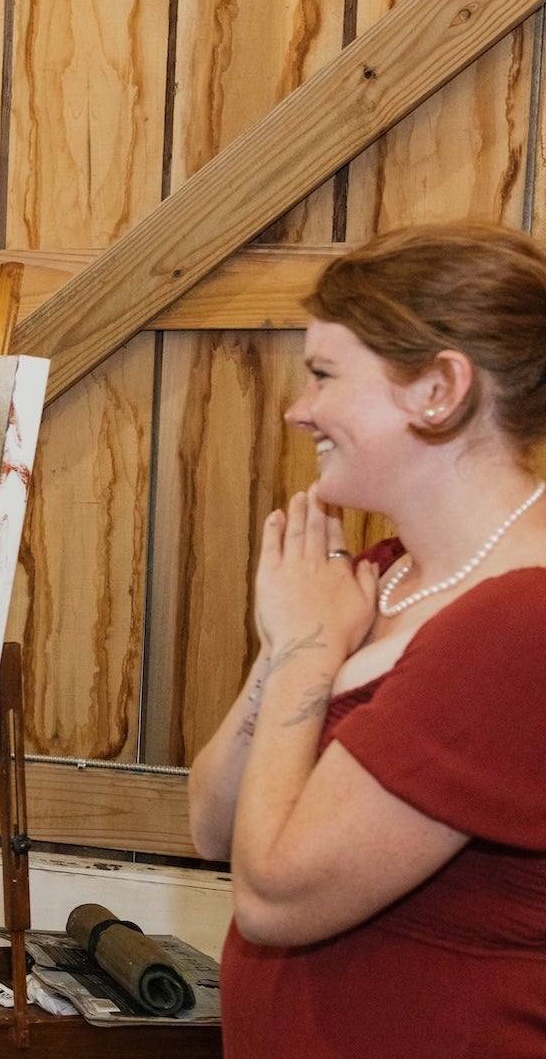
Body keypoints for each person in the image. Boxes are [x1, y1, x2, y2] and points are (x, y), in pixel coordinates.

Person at [187, 221, 546, 1057]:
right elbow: (212, 824)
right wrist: (285, 647)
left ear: (438, 389)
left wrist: (306, 651)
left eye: (324, 375)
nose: (297, 409)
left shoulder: (520, 621)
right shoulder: (378, 572)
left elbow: (274, 896)